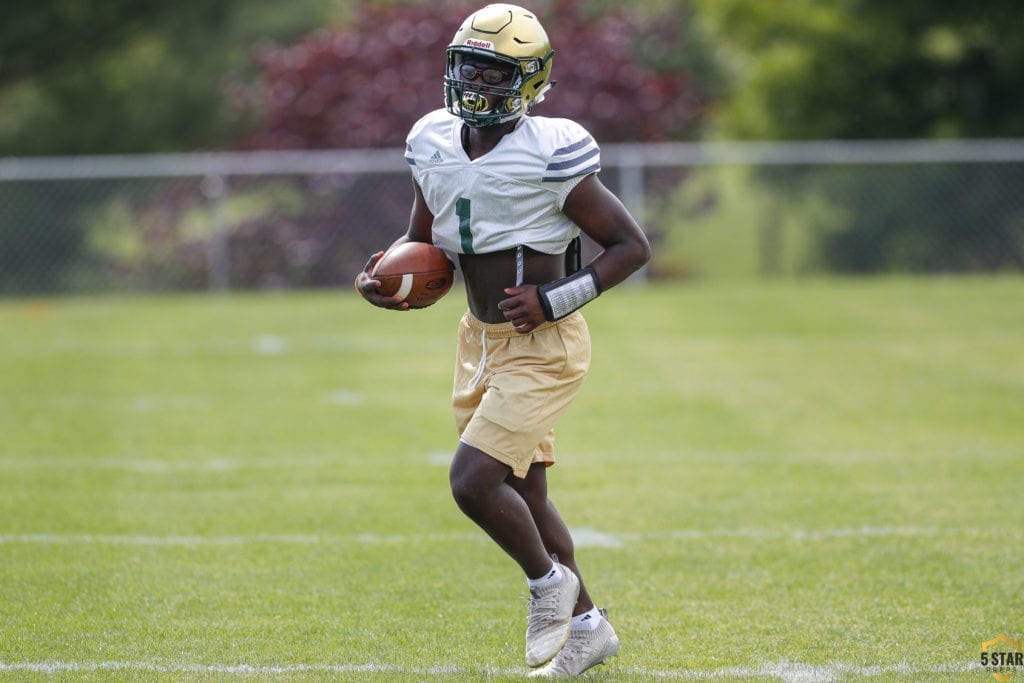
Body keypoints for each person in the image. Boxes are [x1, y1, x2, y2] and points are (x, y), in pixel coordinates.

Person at [354, 3, 650, 677]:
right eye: (469, 68)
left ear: (530, 80)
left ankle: (549, 585)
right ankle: (588, 628)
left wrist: (552, 298)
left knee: (472, 480)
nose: (478, 85)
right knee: (530, 496)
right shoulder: (431, 139)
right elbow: (423, 239)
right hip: (478, 339)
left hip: (545, 346)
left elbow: (631, 247)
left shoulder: (551, 152)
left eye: (494, 72)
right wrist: (385, 274)